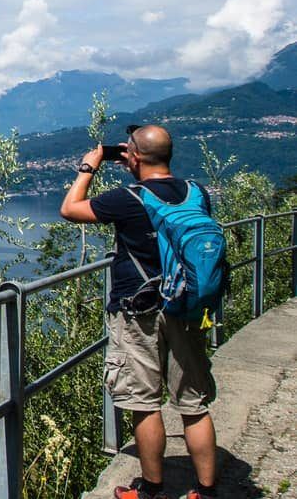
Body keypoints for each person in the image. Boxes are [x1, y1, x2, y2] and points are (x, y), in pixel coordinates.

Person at [60, 124, 218, 499]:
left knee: (144, 403)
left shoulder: (128, 197)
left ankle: (151, 489)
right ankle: (207, 492)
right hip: (188, 306)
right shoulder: (197, 192)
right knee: (193, 404)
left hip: (139, 312)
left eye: (128, 151)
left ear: (134, 156)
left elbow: (69, 209)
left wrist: (88, 167)